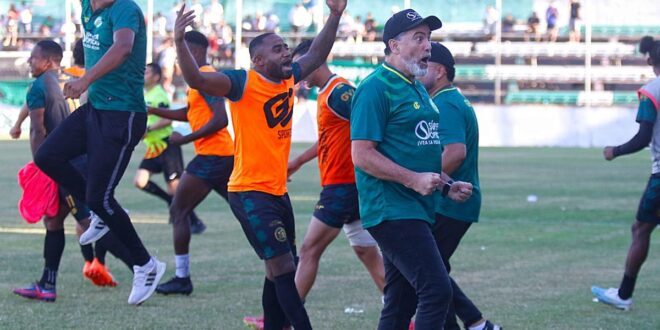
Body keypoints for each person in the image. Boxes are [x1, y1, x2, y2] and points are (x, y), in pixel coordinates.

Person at [173, 0, 347, 327]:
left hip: (277, 191)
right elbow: (196, 80)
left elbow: (317, 54)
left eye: (286, 47)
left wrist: (335, 15)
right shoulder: (241, 83)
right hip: (250, 192)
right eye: (278, 49)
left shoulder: (288, 77)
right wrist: (179, 40)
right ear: (258, 59)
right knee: (283, 268)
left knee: (276, 268)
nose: (287, 53)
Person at [243, 39, 386, 329]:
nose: (298, 71)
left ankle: (283, 318)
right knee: (366, 251)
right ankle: (403, 311)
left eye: (302, 64)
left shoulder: (339, 92)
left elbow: (371, 123)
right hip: (347, 186)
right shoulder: (326, 94)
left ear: (316, 59)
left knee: (308, 250)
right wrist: (297, 162)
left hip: (342, 187)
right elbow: (329, 139)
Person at [33, 0, 165, 306]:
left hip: (123, 114)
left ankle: (146, 265)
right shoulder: (87, 6)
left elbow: (123, 49)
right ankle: (103, 214)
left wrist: (84, 80)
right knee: (47, 156)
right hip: (97, 109)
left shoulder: (125, 9)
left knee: (99, 198)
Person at [350, 9, 473, 329]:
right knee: (435, 289)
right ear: (394, 44)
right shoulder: (375, 87)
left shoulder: (415, 85)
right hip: (391, 208)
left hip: (417, 207)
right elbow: (362, 155)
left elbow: (419, 153)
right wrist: (413, 180)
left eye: (428, 38)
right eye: (419, 38)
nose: (428, 46)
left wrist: (446, 184)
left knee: (400, 303)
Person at [11, 39, 132, 290]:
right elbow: (32, 103)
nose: (29, 62)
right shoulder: (56, 81)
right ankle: (47, 284)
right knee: (53, 221)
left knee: (90, 225)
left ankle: (142, 265)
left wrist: (41, 165)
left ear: (46, 61)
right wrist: (17, 123)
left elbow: (38, 130)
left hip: (66, 168)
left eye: (33, 58)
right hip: (76, 162)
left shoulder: (42, 85)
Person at [418, 42, 502, 330]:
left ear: (440, 71)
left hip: (451, 201)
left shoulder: (446, 103)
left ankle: (477, 323)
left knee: (427, 272)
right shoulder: (448, 99)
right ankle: (474, 324)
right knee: (434, 271)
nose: (418, 70)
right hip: (453, 200)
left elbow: (454, 153)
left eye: (425, 65)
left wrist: (421, 181)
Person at [151, 30, 234, 295]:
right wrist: (154, 111)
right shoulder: (199, 79)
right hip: (221, 155)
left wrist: (185, 140)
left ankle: (182, 278)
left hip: (213, 155)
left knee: (178, 210)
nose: (177, 58)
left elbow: (221, 119)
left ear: (195, 52)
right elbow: (191, 113)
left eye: (181, 52)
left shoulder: (206, 77)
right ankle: (287, 257)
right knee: (247, 209)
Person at [592, 36, 660, 311]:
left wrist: (615, 151)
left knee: (641, 228)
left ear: (649, 60)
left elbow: (644, 137)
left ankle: (624, 294)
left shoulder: (651, 92)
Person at [133, 62, 206, 235]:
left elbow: (167, 119)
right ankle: (170, 202)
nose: (144, 75)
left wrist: (148, 129)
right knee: (139, 181)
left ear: (156, 77)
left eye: (148, 72)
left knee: (176, 190)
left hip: (167, 146)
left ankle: (195, 221)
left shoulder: (159, 95)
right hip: (153, 147)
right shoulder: (146, 94)